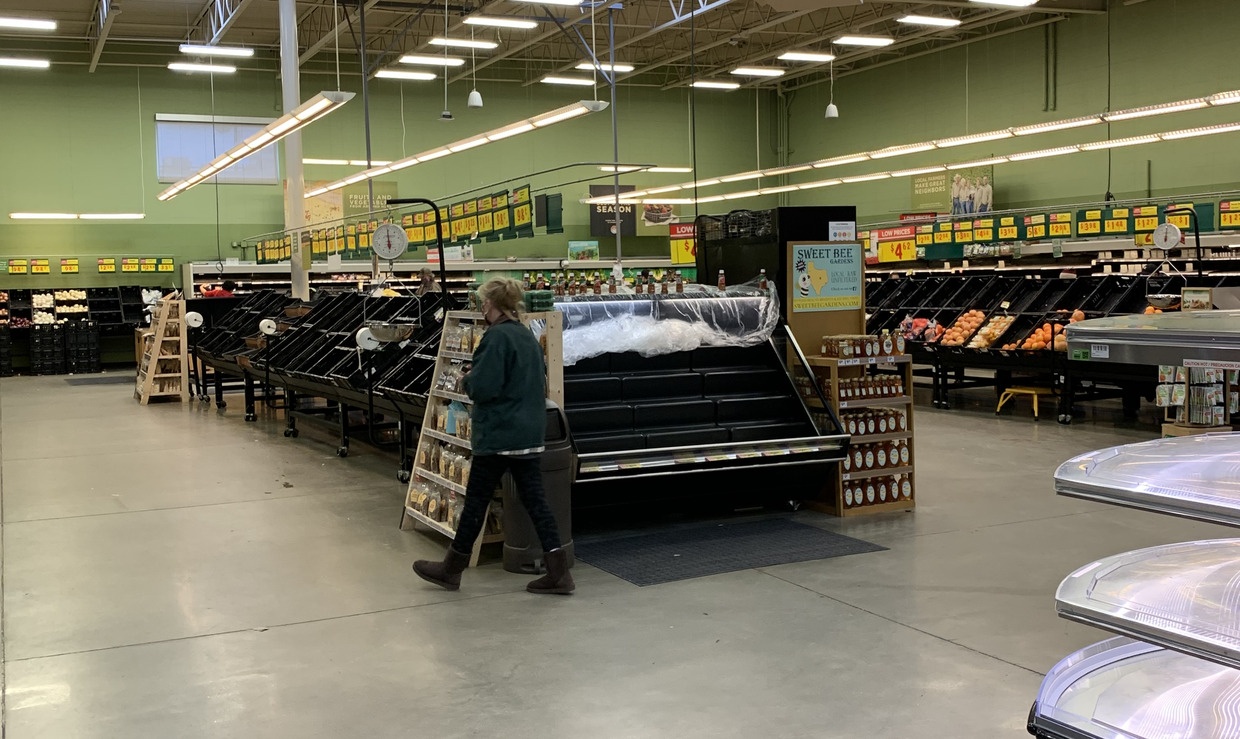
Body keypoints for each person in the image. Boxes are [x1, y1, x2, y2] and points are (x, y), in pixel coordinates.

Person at [413, 277, 574, 595]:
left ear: (493, 304)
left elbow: (484, 387)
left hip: (500, 433)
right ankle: (559, 572)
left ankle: (451, 569)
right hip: (528, 432)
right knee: (537, 503)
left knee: (475, 502)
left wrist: (467, 380)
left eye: (484, 302)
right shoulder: (526, 335)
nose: (482, 307)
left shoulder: (496, 337)